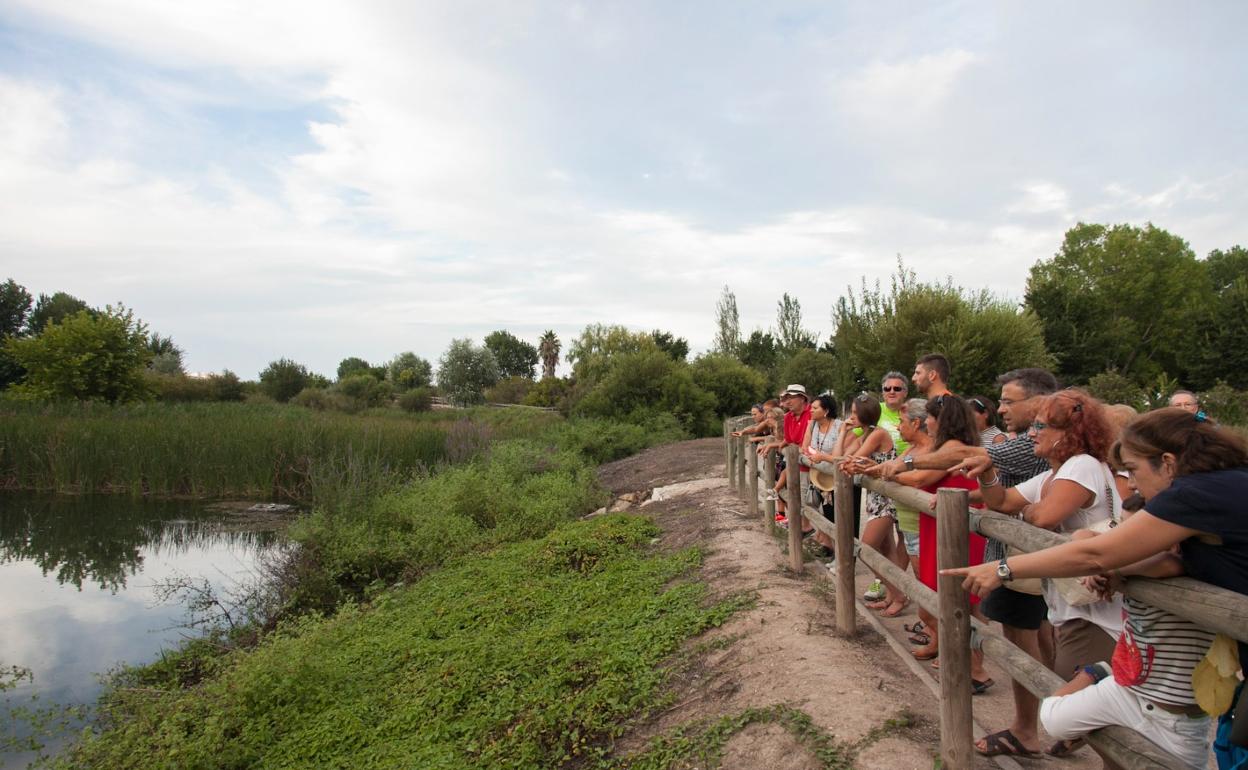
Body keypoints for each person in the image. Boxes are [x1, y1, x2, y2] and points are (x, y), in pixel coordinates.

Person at [942, 408, 1248, 769]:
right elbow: (1177, 560)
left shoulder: (1193, 493)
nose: (1131, 484)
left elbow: (1096, 553)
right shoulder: (1225, 486)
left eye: (1133, 470)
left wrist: (1005, 568)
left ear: (1167, 463)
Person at [865, 367, 1059, 757]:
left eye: (1008, 400)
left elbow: (961, 457)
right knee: (1035, 633)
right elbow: (1005, 495)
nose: (1001, 407)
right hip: (1029, 558)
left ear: (1039, 402)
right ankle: (1047, 720)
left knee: (1030, 637)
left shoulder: (1029, 443)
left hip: (1027, 559)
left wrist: (897, 467)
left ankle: (1040, 723)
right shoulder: (1029, 442)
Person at [837, 395, 906, 614]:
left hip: (886, 500)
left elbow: (851, 460)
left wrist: (848, 461)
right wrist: (843, 433)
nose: (851, 417)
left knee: (866, 549)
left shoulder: (878, 434)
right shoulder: (867, 433)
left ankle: (899, 596)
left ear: (866, 414)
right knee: (887, 550)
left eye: (855, 413)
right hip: (875, 499)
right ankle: (894, 595)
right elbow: (840, 458)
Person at [758, 385, 812, 528]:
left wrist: (781, 445)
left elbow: (804, 442)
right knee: (796, 498)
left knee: (809, 502)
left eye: (791, 398)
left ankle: (810, 531)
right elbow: (788, 440)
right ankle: (802, 527)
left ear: (802, 398)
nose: (787, 401)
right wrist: (776, 445)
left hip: (808, 462)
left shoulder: (812, 414)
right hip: (795, 462)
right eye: (786, 398)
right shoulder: (788, 417)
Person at [802, 393, 841, 558]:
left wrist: (822, 457)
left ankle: (836, 550)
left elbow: (842, 451)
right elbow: (805, 447)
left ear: (825, 411)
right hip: (819, 476)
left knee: (836, 515)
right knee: (825, 511)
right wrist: (811, 457)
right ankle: (827, 545)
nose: (810, 410)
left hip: (836, 478)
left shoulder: (839, 426)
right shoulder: (812, 425)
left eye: (815, 408)